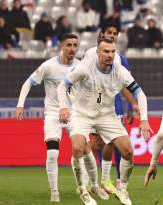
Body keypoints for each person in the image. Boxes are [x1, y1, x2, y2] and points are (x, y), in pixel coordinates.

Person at [57, 38, 152, 205]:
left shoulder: (120, 71)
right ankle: (84, 192)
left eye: (112, 52)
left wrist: (144, 120)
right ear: (98, 52)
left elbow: (140, 94)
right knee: (78, 147)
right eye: (106, 51)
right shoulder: (85, 68)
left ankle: (122, 188)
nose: (110, 55)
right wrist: (64, 107)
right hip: (81, 113)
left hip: (106, 115)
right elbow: (62, 86)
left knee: (128, 151)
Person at [15, 34, 107, 203]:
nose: (73, 48)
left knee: (86, 150)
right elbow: (28, 83)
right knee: (52, 153)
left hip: (75, 114)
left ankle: (93, 185)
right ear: (61, 46)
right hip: (52, 114)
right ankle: (54, 192)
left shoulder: (81, 66)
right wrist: (20, 105)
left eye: (75, 45)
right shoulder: (48, 66)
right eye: (69, 45)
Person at [83, 22, 137, 197]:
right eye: (109, 32)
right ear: (102, 34)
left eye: (115, 33)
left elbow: (126, 85)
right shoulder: (91, 54)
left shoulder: (121, 59)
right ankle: (91, 180)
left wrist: (131, 106)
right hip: (95, 106)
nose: (112, 35)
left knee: (116, 143)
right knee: (97, 144)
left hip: (115, 105)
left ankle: (118, 180)